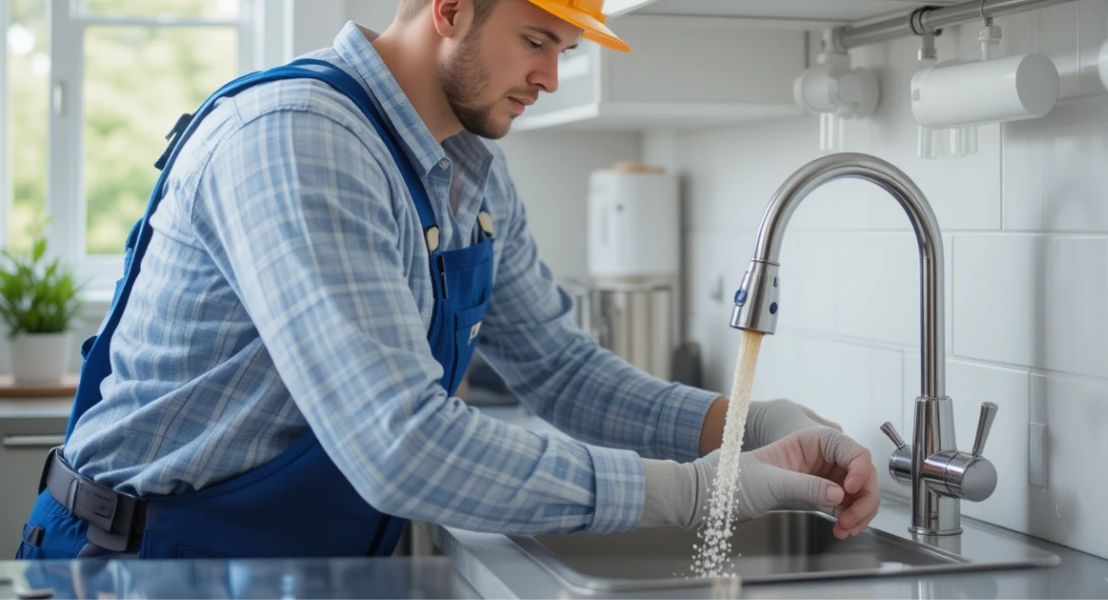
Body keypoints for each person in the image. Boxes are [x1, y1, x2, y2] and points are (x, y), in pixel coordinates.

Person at [15, 0, 879, 560]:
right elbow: (403, 444)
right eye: (536, 40)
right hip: (140, 564)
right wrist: (699, 491)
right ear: (451, 8)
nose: (549, 75)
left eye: (564, 48)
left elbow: (558, 368)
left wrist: (745, 424)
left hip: (278, 564)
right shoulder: (300, 140)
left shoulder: (469, 171)